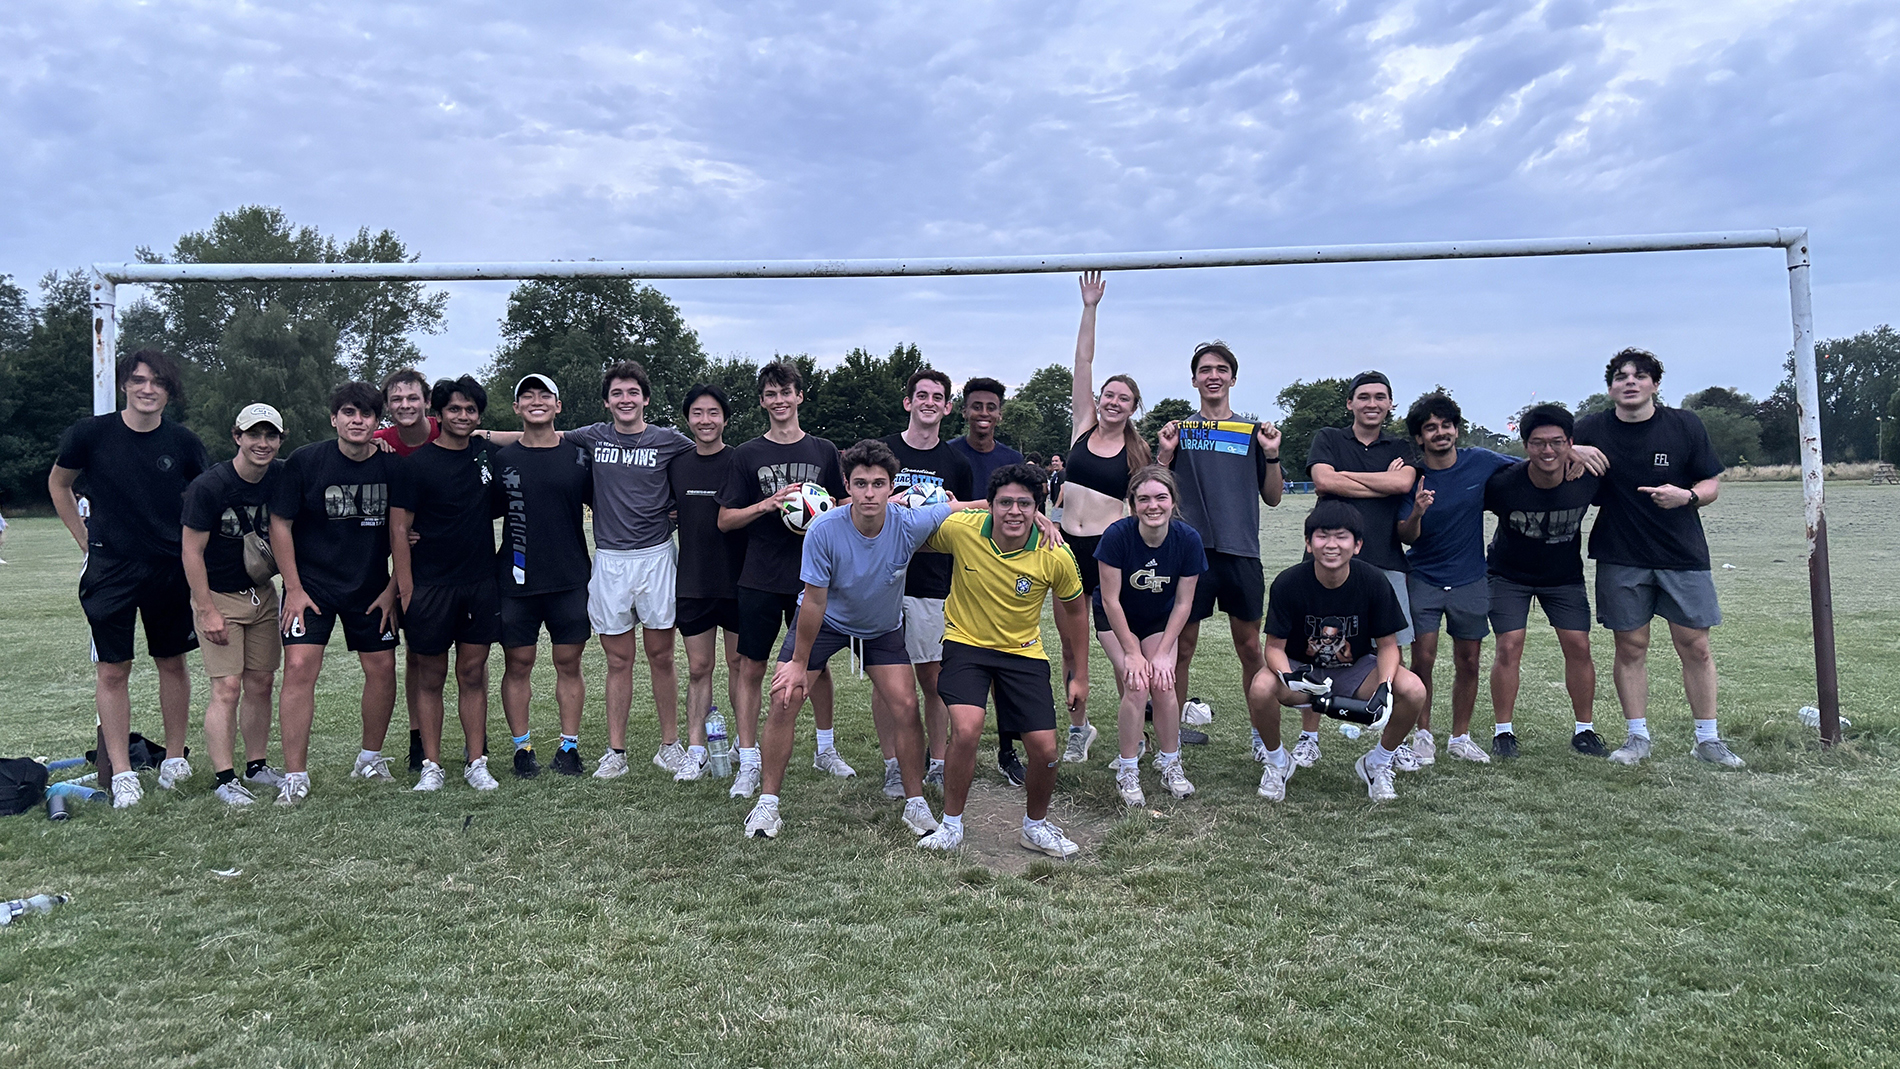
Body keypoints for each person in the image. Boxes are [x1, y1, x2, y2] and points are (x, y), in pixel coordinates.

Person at [745, 439, 964, 841]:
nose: (868, 493)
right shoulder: (824, 530)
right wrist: (797, 664)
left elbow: (968, 508)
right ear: (847, 485)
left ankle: (915, 803)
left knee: (906, 704)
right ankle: (767, 804)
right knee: (785, 698)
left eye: (878, 484)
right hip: (825, 622)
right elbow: (813, 603)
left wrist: (1034, 514)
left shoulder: (910, 522)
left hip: (881, 629)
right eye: (860, 483)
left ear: (892, 487)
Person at [48, 348, 210, 808]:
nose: (147, 389)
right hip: (110, 570)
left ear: (168, 391)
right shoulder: (91, 433)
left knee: (173, 662)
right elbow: (59, 484)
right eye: (139, 380)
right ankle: (121, 772)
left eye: (157, 382)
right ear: (124, 384)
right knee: (114, 669)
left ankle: (175, 759)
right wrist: (84, 539)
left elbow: (208, 496)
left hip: (169, 569)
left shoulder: (183, 442)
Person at [1574, 349, 1738, 768]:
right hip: (1621, 554)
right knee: (1631, 646)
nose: (1630, 382)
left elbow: (1711, 483)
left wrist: (1686, 496)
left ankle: (1707, 739)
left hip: (1681, 554)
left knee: (1696, 646)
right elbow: (1549, 452)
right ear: (1609, 386)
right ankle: (1636, 737)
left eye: (1640, 376)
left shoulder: (1684, 425)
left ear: (1655, 384)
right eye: (1620, 376)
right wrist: (1574, 452)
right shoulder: (1590, 428)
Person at [916, 464, 1091, 857]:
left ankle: (1036, 826)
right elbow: (913, 534)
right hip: (966, 645)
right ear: (990, 506)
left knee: (1045, 750)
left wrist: (1079, 675)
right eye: (1005, 502)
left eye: (1024, 504)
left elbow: (1077, 612)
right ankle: (951, 825)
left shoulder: (1055, 553)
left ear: (1038, 509)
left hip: (1022, 651)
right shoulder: (964, 529)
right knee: (967, 728)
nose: (1014, 511)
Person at [717, 360, 852, 798]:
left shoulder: (823, 451)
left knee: (816, 664)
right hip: (759, 575)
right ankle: (749, 757)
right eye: (770, 394)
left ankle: (825, 748)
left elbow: (845, 504)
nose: (779, 401)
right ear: (762, 402)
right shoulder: (746, 455)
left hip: (811, 579)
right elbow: (724, 520)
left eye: (786, 392)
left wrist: (827, 507)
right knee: (751, 665)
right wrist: (766, 504)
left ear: (799, 396)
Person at [271, 382, 403, 805]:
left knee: (382, 670)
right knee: (298, 667)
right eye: (349, 413)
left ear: (377, 422)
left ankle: (370, 758)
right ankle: (295, 775)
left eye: (366, 414)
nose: (357, 420)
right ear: (334, 419)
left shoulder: (392, 467)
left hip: (370, 587)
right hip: (311, 589)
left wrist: (391, 588)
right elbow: (280, 525)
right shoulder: (306, 462)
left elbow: (407, 532)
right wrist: (292, 588)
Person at [566, 361, 695, 779]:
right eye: (617, 393)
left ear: (646, 398)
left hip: (657, 557)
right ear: (607, 401)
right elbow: (540, 436)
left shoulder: (669, 440)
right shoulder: (592, 435)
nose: (625, 400)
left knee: (661, 655)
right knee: (618, 661)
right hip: (611, 560)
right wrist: (483, 435)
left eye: (632, 392)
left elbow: (707, 461)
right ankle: (616, 752)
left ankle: (670, 745)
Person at [1249, 502, 1427, 803]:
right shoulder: (1289, 583)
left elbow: (1387, 645)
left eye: (1341, 536)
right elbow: (1275, 647)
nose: (1331, 544)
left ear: (1357, 545)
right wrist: (1290, 676)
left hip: (1355, 670)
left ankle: (1379, 762)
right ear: (1308, 542)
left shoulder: (1373, 581)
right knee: (1261, 686)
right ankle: (1278, 762)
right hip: (1303, 671)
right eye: (1322, 536)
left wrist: (1384, 686)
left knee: (1412, 688)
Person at [1156, 338, 1284, 747]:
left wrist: (1273, 454)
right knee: (1180, 649)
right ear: (1194, 379)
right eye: (1205, 370)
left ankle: (1261, 737)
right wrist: (1164, 454)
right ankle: (1171, 739)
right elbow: (1155, 489)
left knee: (1250, 647)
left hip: (1241, 551)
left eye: (1221, 370)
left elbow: (1275, 496)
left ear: (1233, 377)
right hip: (1191, 553)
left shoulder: (1251, 431)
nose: (1213, 376)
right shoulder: (1181, 432)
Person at [390, 376, 505, 792]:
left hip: (479, 582)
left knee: (472, 673)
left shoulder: (486, 455)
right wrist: (406, 591)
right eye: (454, 409)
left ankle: (477, 762)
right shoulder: (415, 465)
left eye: (470, 409)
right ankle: (432, 765)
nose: (462, 416)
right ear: (437, 414)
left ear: (478, 415)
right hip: (430, 587)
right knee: (431, 676)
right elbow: (399, 529)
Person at [1393, 392, 1520, 763]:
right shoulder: (1414, 477)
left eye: (1445, 425)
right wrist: (1417, 512)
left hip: (1470, 579)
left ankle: (1460, 737)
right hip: (1425, 578)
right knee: (1423, 660)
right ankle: (1423, 734)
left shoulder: (1480, 461)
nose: (1439, 433)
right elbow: (1405, 536)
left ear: (1456, 429)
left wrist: (1571, 455)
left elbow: (1529, 468)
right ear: (1419, 437)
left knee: (1469, 660)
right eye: (1430, 428)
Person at [1299, 371, 1416, 771]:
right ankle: (1309, 738)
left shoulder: (1400, 445)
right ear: (1349, 403)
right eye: (1363, 396)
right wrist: (1384, 482)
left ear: (1390, 404)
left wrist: (1343, 479)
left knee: (1394, 652)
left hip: (1385, 559)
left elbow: (1403, 485)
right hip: (1326, 559)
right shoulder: (1329, 438)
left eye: (1380, 397)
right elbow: (1321, 479)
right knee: (1315, 648)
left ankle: (1391, 744)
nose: (1371, 403)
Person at [1059, 271, 1153, 769]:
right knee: (1072, 652)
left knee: (1120, 647)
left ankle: (1132, 734)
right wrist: (1090, 306)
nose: (1112, 402)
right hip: (1065, 551)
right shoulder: (1082, 426)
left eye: (1124, 398)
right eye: (1108, 395)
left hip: (1107, 553)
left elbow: (1150, 508)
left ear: (1135, 407)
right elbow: (1083, 362)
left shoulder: (1138, 452)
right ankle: (1079, 729)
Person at [1482, 405, 1610, 762]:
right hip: (1509, 574)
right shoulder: (1504, 483)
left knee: (1579, 647)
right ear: (1525, 446)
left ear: (1570, 443)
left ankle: (1584, 729)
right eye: (1539, 443)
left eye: (1557, 442)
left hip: (1563, 576)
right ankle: (1503, 732)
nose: (1548, 451)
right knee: (1509, 646)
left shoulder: (1587, 477)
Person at [180, 403, 289, 806]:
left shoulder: (280, 476)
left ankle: (256, 767)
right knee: (226, 688)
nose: (262, 443)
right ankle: (225, 778)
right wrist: (205, 609)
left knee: (261, 683)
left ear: (280, 439)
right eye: (254, 435)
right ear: (237, 436)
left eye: (270, 435)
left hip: (262, 595)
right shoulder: (209, 486)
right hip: (220, 597)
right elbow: (191, 551)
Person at [490, 374, 595, 777]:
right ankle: (523, 749)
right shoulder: (502, 460)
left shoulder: (579, 456)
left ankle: (569, 748)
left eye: (544, 394)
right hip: (516, 580)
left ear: (558, 406)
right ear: (516, 408)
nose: (536, 401)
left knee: (569, 662)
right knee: (518, 663)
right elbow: (479, 510)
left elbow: (611, 501)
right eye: (527, 396)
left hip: (570, 577)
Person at [877, 369, 976, 795]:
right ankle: (894, 765)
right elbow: (854, 502)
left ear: (948, 407)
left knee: (933, 678)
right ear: (908, 403)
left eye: (938, 397)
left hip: (933, 581)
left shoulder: (956, 462)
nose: (929, 402)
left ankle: (937, 761)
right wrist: (887, 501)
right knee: (886, 679)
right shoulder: (885, 451)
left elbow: (971, 518)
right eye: (922, 395)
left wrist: (957, 507)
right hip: (884, 579)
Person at [1094, 466, 1203, 806]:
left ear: (1172, 502)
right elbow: (1110, 600)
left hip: (1159, 619)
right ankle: (1128, 769)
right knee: (1137, 683)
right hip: (1116, 620)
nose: (1152, 506)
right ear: (1132, 505)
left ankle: (1170, 761)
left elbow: (1184, 604)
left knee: (1164, 681)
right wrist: (1132, 652)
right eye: (1143, 499)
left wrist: (1162, 651)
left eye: (1160, 497)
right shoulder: (1117, 536)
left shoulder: (1187, 539)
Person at [668, 384, 748, 781]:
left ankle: (741, 746)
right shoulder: (677, 464)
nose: (705, 421)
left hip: (737, 582)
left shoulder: (741, 461)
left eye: (713, 413)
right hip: (693, 582)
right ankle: (696, 749)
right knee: (699, 668)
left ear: (725, 419)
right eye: (697, 413)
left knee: (738, 664)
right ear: (688, 419)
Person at [374, 369, 438, 774]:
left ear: (427, 402)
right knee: (417, 653)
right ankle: (418, 737)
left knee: (472, 654)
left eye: (412, 398)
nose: (405, 406)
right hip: (406, 555)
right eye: (396, 400)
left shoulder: (448, 429)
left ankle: (475, 735)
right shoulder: (381, 444)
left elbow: (492, 437)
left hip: (452, 552)